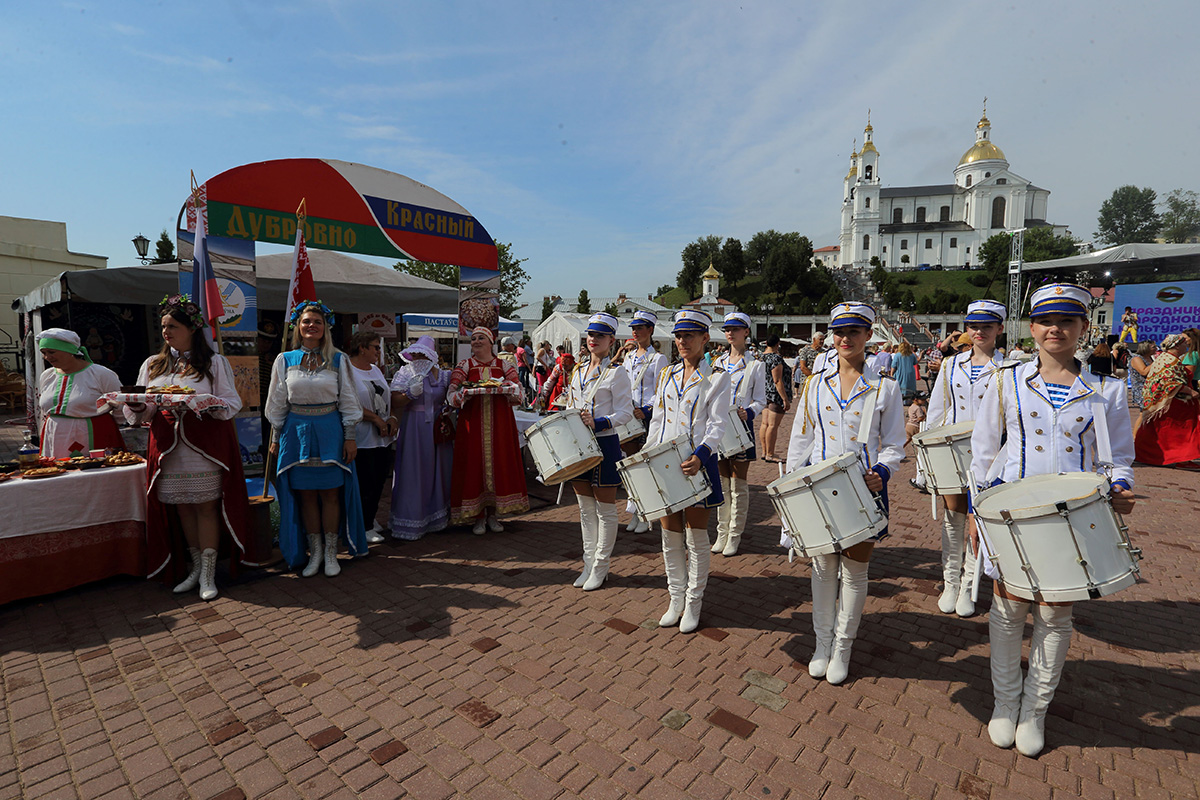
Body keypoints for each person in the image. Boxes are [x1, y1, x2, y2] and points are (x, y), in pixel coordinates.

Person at [970, 283, 1137, 758]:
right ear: (1032, 327)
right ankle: (1005, 703)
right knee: (1007, 610)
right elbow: (982, 455)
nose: (1054, 330)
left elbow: (1116, 458)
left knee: (1055, 612)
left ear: (1084, 328)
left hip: (1069, 521)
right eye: (1045, 321)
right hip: (1012, 514)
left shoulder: (1105, 390)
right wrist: (980, 520)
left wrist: (1118, 486)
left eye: (1066, 321)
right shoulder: (1006, 381)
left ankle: (1034, 711)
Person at [785, 302, 905, 685]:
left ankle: (842, 647)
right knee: (822, 571)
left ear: (869, 336)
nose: (845, 339)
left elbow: (895, 444)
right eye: (839, 331)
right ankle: (822, 643)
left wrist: (883, 472)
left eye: (854, 331)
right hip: (819, 488)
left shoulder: (884, 387)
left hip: (862, 489)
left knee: (854, 572)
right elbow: (801, 441)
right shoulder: (815, 384)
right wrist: (790, 488)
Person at [124, 295, 259, 600]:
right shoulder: (153, 365)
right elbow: (143, 412)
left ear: (192, 329)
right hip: (168, 448)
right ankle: (196, 569)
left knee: (205, 506)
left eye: (172, 326)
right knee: (182, 507)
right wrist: (135, 403)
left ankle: (209, 574)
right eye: (163, 326)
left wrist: (206, 403)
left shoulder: (213, 362)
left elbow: (230, 403)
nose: (165, 332)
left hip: (204, 446)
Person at [266, 300, 368, 577]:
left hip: (330, 430)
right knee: (306, 496)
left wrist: (350, 437)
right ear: (298, 326)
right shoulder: (284, 360)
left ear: (326, 328)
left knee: (331, 493)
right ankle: (316, 553)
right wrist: (275, 436)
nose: (312, 326)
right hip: (295, 432)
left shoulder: (338, 359)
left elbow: (348, 399)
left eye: (317, 322)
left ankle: (332, 552)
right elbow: (277, 402)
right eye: (307, 321)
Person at [646, 309, 728, 634]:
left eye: (690, 335)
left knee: (696, 539)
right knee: (670, 537)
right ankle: (675, 599)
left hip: (697, 465)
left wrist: (701, 455)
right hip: (666, 463)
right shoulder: (666, 374)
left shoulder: (718, 376)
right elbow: (657, 420)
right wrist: (647, 456)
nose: (682, 341)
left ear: (705, 339)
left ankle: (694, 602)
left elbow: (719, 424)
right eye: (679, 336)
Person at [924, 299, 1008, 617]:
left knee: (979, 518)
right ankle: (950, 582)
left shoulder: (1010, 368)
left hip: (989, 455)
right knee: (953, 517)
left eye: (987, 326)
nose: (979, 332)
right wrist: (928, 455)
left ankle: (970, 582)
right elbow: (937, 411)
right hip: (952, 452)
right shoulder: (951, 365)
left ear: (999, 329)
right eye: (974, 326)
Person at [564, 312, 633, 590]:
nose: (594, 339)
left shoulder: (617, 373)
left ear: (611, 340)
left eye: (600, 335)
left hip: (605, 442)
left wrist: (600, 421)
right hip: (580, 444)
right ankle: (588, 563)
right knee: (584, 510)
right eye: (591, 334)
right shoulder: (578, 370)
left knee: (605, 510)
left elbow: (626, 412)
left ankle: (602, 566)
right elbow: (571, 402)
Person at [447, 327, 530, 534]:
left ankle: (493, 515)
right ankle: (477, 517)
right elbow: (451, 393)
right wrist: (463, 394)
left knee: (499, 464)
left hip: (500, 424)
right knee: (474, 466)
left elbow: (518, 391)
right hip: (472, 425)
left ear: (491, 342)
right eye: (473, 338)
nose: (475, 341)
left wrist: (507, 391)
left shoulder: (504, 365)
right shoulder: (464, 365)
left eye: (481, 338)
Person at [712, 312, 766, 556]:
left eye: (736, 329)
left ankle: (735, 534)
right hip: (720, 426)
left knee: (738, 484)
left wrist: (750, 412)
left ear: (746, 332)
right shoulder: (718, 362)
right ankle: (721, 532)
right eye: (727, 329)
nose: (730, 333)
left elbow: (761, 400)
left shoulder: (756, 365)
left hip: (741, 427)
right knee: (722, 483)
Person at [389, 335, 453, 539]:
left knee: (438, 471)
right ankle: (411, 517)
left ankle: (436, 516)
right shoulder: (405, 373)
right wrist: (409, 394)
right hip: (413, 429)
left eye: (421, 353)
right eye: (415, 353)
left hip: (436, 428)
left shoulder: (444, 376)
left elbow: (451, 399)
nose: (417, 357)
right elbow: (394, 401)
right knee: (413, 470)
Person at [36, 328, 125, 458]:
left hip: (94, 435)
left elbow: (121, 405)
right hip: (54, 436)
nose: (47, 357)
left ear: (69, 351)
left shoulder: (100, 374)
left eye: (52, 352)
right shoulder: (47, 376)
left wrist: (109, 427)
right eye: (43, 352)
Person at [620, 310, 669, 534]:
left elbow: (660, 390)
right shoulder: (628, 357)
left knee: (645, 466)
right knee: (630, 467)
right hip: (629, 417)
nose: (635, 332)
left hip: (646, 418)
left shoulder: (658, 359)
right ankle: (635, 509)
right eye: (634, 328)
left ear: (650, 330)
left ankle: (646, 513)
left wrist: (647, 410)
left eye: (640, 328)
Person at [348, 331, 396, 544]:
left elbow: (385, 397)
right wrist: (374, 419)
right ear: (362, 347)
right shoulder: (347, 370)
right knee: (365, 482)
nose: (379, 351)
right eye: (376, 347)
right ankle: (363, 525)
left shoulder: (375, 369)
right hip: (362, 436)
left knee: (378, 480)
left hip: (382, 436)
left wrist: (391, 417)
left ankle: (370, 517)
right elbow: (348, 403)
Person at [1133, 332, 1200, 466]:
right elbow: (1170, 382)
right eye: (1183, 343)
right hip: (1170, 404)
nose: (1186, 345)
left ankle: (1150, 456)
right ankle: (1181, 458)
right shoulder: (1169, 360)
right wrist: (1190, 392)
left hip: (1164, 402)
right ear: (1176, 345)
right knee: (1179, 432)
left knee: (1159, 432)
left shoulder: (1167, 358)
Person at [758, 334, 791, 462]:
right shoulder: (775, 358)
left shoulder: (760, 357)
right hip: (775, 395)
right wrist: (785, 399)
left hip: (764, 393)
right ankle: (770, 454)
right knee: (772, 425)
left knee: (764, 424)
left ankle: (764, 451)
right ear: (777, 344)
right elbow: (777, 381)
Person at [1128, 340, 1155, 416]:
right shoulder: (1136, 358)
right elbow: (1143, 372)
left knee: (1146, 413)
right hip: (1141, 388)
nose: (1156, 349)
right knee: (1144, 413)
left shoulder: (1149, 358)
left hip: (1150, 388)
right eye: (1153, 347)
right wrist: (1156, 362)